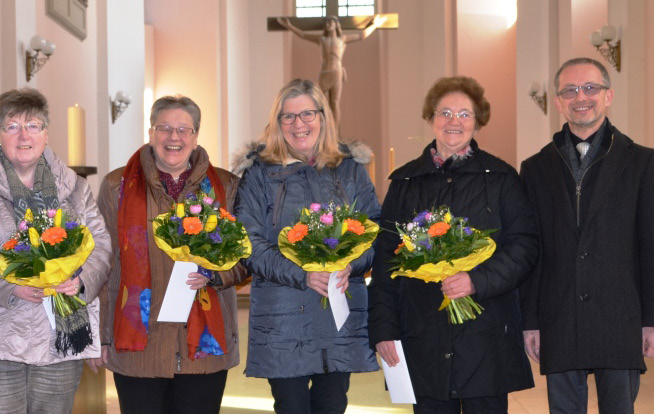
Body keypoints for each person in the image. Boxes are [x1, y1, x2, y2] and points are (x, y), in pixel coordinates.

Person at [368, 76, 538, 413]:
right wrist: (383, 329)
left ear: (478, 122)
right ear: (431, 118)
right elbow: (386, 259)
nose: (453, 121)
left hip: (486, 335)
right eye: (444, 112)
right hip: (422, 334)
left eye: (464, 114)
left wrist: (477, 280)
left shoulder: (502, 178)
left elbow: (524, 247)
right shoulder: (405, 182)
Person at [0, 87, 110, 414]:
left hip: (58, 340)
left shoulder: (76, 189)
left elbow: (101, 246)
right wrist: (10, 286)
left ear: (46, 134)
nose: (23, 135)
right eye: (12, 126)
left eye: (33, 125)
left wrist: (80, 282)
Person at [231, 79, 379, 414]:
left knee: (333, 404)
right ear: (277, 122)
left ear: (322, 117)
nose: (299, 124)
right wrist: (302, 274)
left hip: (338, 310)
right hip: (283, 314)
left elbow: (374, 229)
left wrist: (352, 264)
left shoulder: (349, 167)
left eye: (307, 114)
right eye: (288, 116)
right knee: (291, 405)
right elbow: (248, 240)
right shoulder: (259, 172)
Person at [95, 95, 247, 414]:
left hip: (204, 350)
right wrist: (102, 336)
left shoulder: (227, 187)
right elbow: (104, 265)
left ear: (195, 135)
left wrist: (215, 275)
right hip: (138, 348)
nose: (173, 136)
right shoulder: (116, 185)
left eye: (183, 129)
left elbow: (247, 258)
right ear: (151, 133)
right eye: (164, 128)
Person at [520, 57, 654, 413]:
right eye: (570, 90)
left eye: (590, 88)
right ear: (558, 101)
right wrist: (530, 321)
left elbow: (650, 246)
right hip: (559, 314)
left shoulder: (642, 163)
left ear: (608, 96)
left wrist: (651, 319)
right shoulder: (535, 168)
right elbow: (532, 250)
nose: (581, 97)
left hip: (620, 315)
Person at [276, 16, 381, 126]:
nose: (328, 24)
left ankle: (335, 130)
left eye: (331, 22)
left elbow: (361, 35)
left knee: (334, 102)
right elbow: (303, 35)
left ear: (336, 25)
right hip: (324, 73)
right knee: (320, 102)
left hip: (336, 72)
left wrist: (374, 25)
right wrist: (289, 26)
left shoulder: (342, 39)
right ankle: (324, 127)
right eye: (326, 23)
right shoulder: (321, 39)